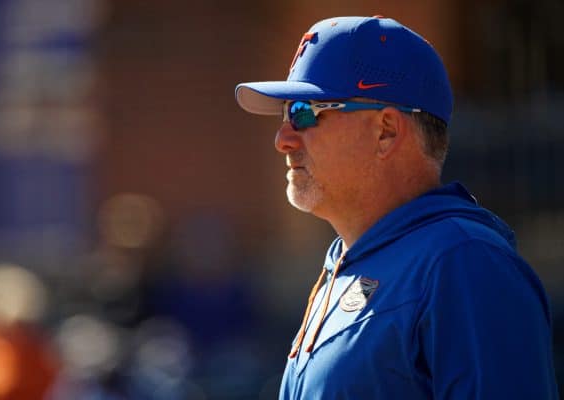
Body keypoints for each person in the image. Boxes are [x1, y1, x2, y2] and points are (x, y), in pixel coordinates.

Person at [235, 16, 559, 399]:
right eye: (284, 113)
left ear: (386, 131)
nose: (282, 139)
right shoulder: (345, 264)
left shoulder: (464, 262)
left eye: (304, 110)